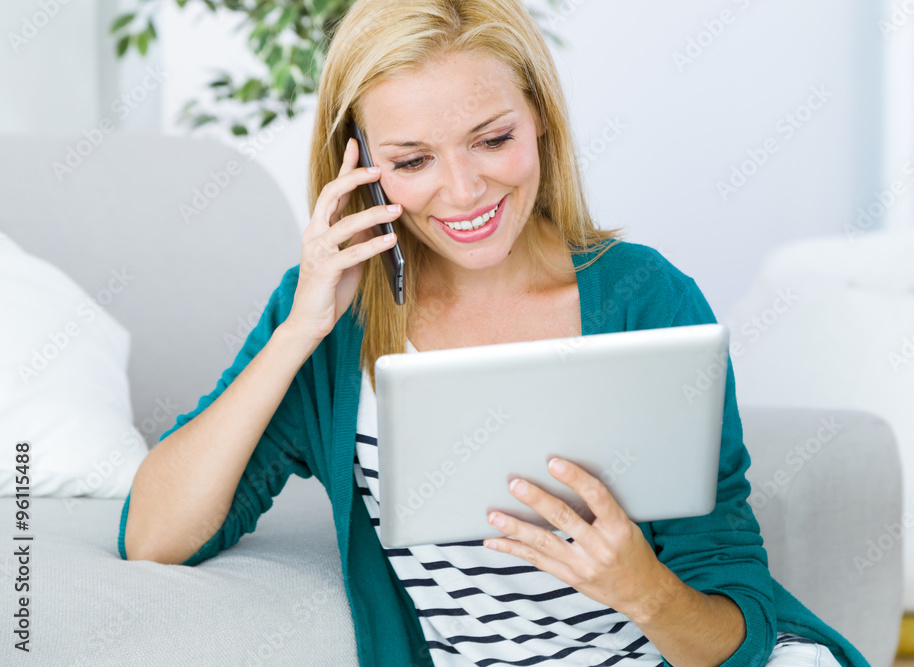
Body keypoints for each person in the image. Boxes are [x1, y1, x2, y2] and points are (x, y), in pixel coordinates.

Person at [118, 1, 870, 665]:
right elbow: (154, 535)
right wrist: (299, 331)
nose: (463, 190)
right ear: (363, 164)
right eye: (413, 159)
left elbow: (734, 621)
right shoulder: (333, 317)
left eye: (492, 139)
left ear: (539, 114)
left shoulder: (646, 297)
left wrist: (641, 588)